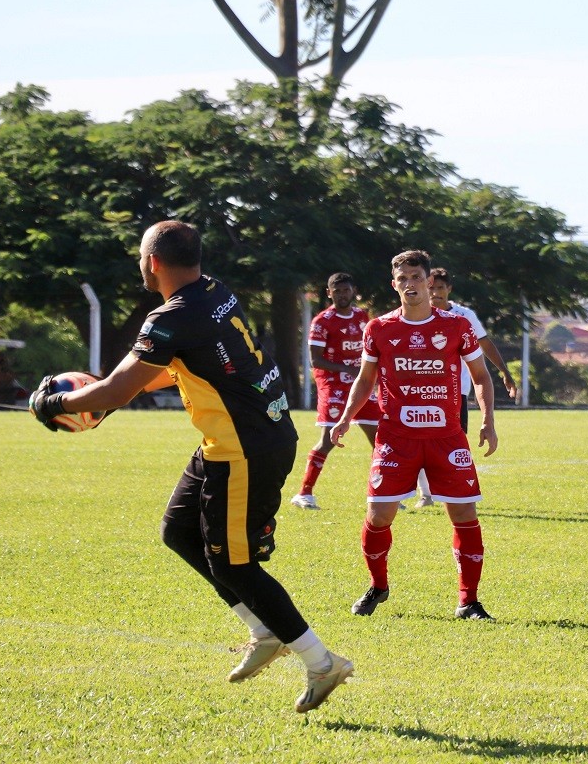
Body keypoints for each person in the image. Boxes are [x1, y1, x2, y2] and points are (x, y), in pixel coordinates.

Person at [28, 220, 352, 713]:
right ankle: (264, 631)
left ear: (152, 262)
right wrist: (109, 392)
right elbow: (168, 369)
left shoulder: (170, 317)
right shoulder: (212, 292)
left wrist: (53, 404)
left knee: (233, 563)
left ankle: (321, 661)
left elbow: (121, 386)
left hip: (244, 448)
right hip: (236, 440)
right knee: (178, 531)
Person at [329, 250, 499, 620]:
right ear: (394, 285)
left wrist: (487, 420)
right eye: (402, 279)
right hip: (396, 439)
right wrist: (345, 418)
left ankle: (468, 601)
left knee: (465, 514)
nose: (410, 284)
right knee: (378, 514)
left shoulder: (456, 326)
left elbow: (481, 377)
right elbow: (365, 379)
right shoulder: (379, 329)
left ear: (429, 282)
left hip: (447, 438)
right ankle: (378, 586)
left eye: (416, 277)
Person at [412, 267, 516, 508]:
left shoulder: (463, 316)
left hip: (455, 392)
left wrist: (504, 371)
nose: (435, 293)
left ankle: (451, 492)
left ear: (449, 289)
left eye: (440, 288)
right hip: (418, 391)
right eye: (432, 287)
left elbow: (484, 342)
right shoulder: (417, 314)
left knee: (452, 442)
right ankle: (425, 494)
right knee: (419, 441)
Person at [289, 272, 382, 510]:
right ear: (329, 293)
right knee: (328, 440)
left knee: (380, 440)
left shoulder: (362, 317)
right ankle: (304, 493)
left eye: (346, 290)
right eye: (337, 291)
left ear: (353, 291)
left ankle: (382, 494)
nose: (342, 295)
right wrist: (347, 369)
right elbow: (316, 360)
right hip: (334, 386)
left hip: (362, 384)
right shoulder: (322, 321)